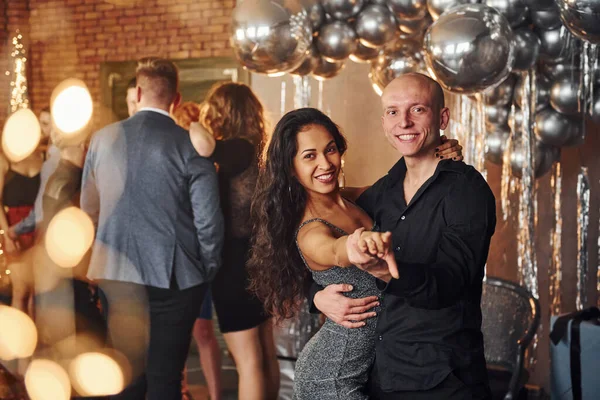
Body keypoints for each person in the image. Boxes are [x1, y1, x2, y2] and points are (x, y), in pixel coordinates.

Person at [311, 73, 496, 399]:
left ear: (442, 118)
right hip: (381, 375)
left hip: (445, 380)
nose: (404, 122)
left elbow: (453, 281)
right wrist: (316, 297)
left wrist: (391, 274)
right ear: (384, 122)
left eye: (418, 110)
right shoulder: (381, 193)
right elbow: (322, 243)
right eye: (394, 112)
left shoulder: (466, 190)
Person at [80, 57, 224, 399]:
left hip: (115, 273)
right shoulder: (191, 143)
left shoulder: (101, 139)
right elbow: (208, 220)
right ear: (176, 98)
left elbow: (88, 209)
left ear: (139, 91)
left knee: (126, 374)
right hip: (174, 278)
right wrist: (209, 268)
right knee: (164, 377)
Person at [185, 82, 279, 400]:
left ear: (226, 113)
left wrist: (189, 118)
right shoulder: (255, 149)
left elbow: (202, 143)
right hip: (258, 259)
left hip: (235, 265)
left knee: (248, 362)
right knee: (264, 353)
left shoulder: (237, 149)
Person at [171, 101, 222, 400]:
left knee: (202, 331)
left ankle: (215, 395)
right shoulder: (175, 159)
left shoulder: (206, 162)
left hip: (198, 256)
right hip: (177, 254)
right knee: (177, 333)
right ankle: (183, 389)